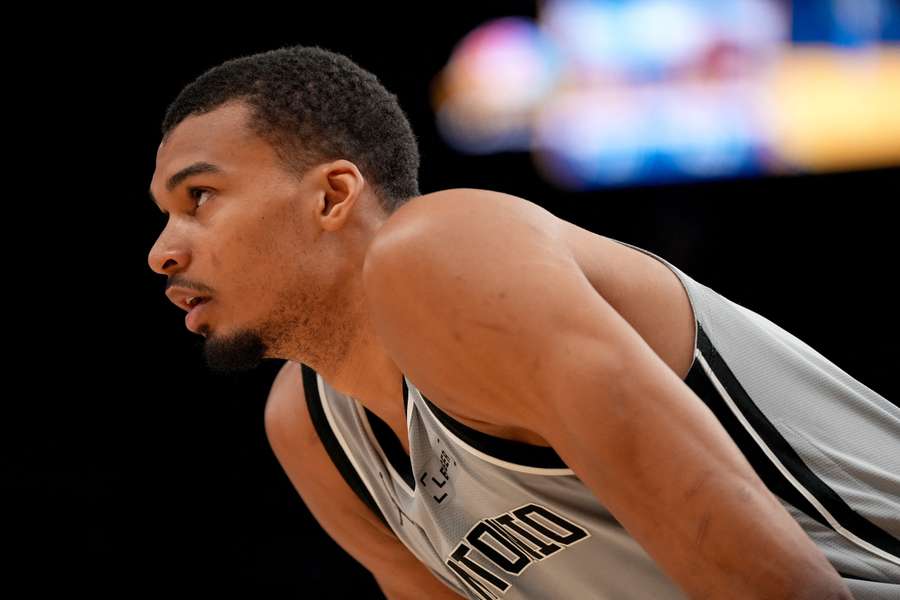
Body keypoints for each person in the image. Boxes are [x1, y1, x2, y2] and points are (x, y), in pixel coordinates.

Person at [147, 45, 899, 599]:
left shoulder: (446, 251)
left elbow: (789, 590)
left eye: (199, 198)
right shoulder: (311, 428)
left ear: (332, 195)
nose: (161, 253)